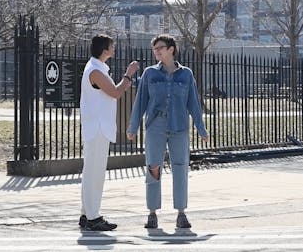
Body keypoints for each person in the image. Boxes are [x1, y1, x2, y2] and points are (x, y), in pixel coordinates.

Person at [127, 34, 208, 231]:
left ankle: (181, 213)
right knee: (153, 168)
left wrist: (201, 127)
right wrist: (133, 127)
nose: (156, 52)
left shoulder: (186, 74)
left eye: (160, 48)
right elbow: (140, 102)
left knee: (180, 168)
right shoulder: (149, 74)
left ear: (171, 49)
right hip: (156, 127)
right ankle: (152, 213)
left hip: (179, 127)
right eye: (154, 49)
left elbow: (194, 104)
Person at [79, 34, 139, 232]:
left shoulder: (97, 68)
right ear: (104, 49)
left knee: (91, 172)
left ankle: (86, 214)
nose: (114, 48)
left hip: (97, 127)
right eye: (112, 46)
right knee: (95, 174)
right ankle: (93, 217)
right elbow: (115, 92)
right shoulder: (95, 71)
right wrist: (128, 74)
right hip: (97, 128)